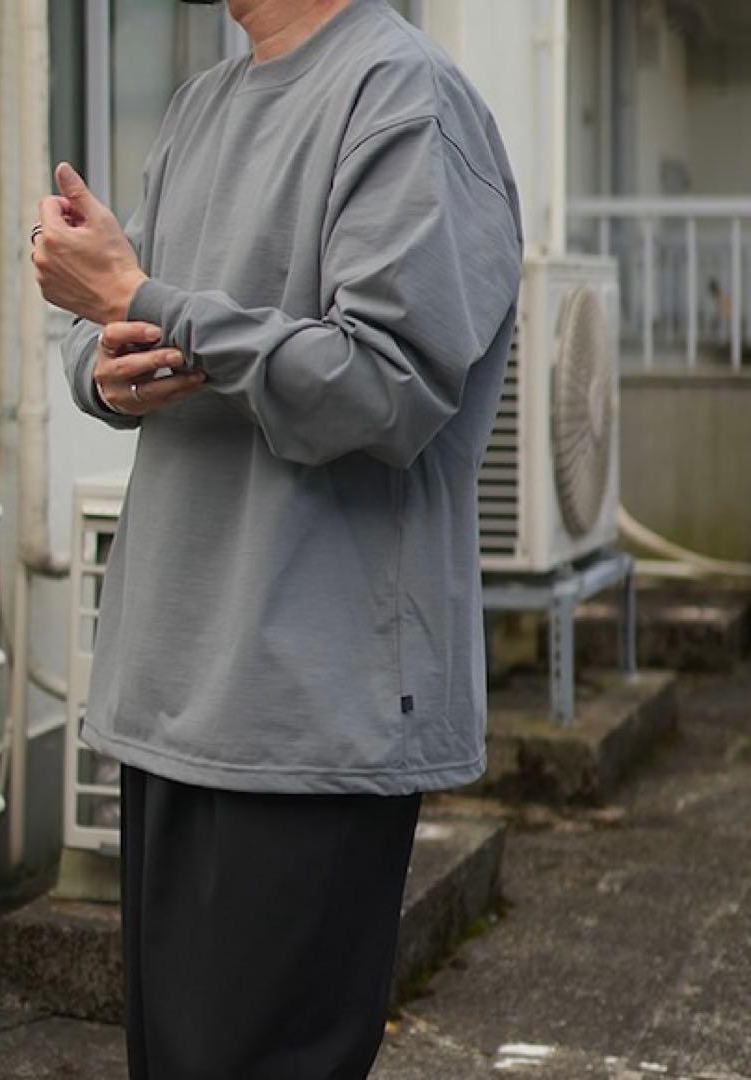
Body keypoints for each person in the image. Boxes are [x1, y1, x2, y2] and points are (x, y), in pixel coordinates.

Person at [33, 0, 523, 1075]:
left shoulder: (404, 96)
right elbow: (117, 321)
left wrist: (146, 299)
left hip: (311, 702)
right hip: (171, 685)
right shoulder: (199, 107)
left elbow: (386, 387)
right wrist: (104, 363)